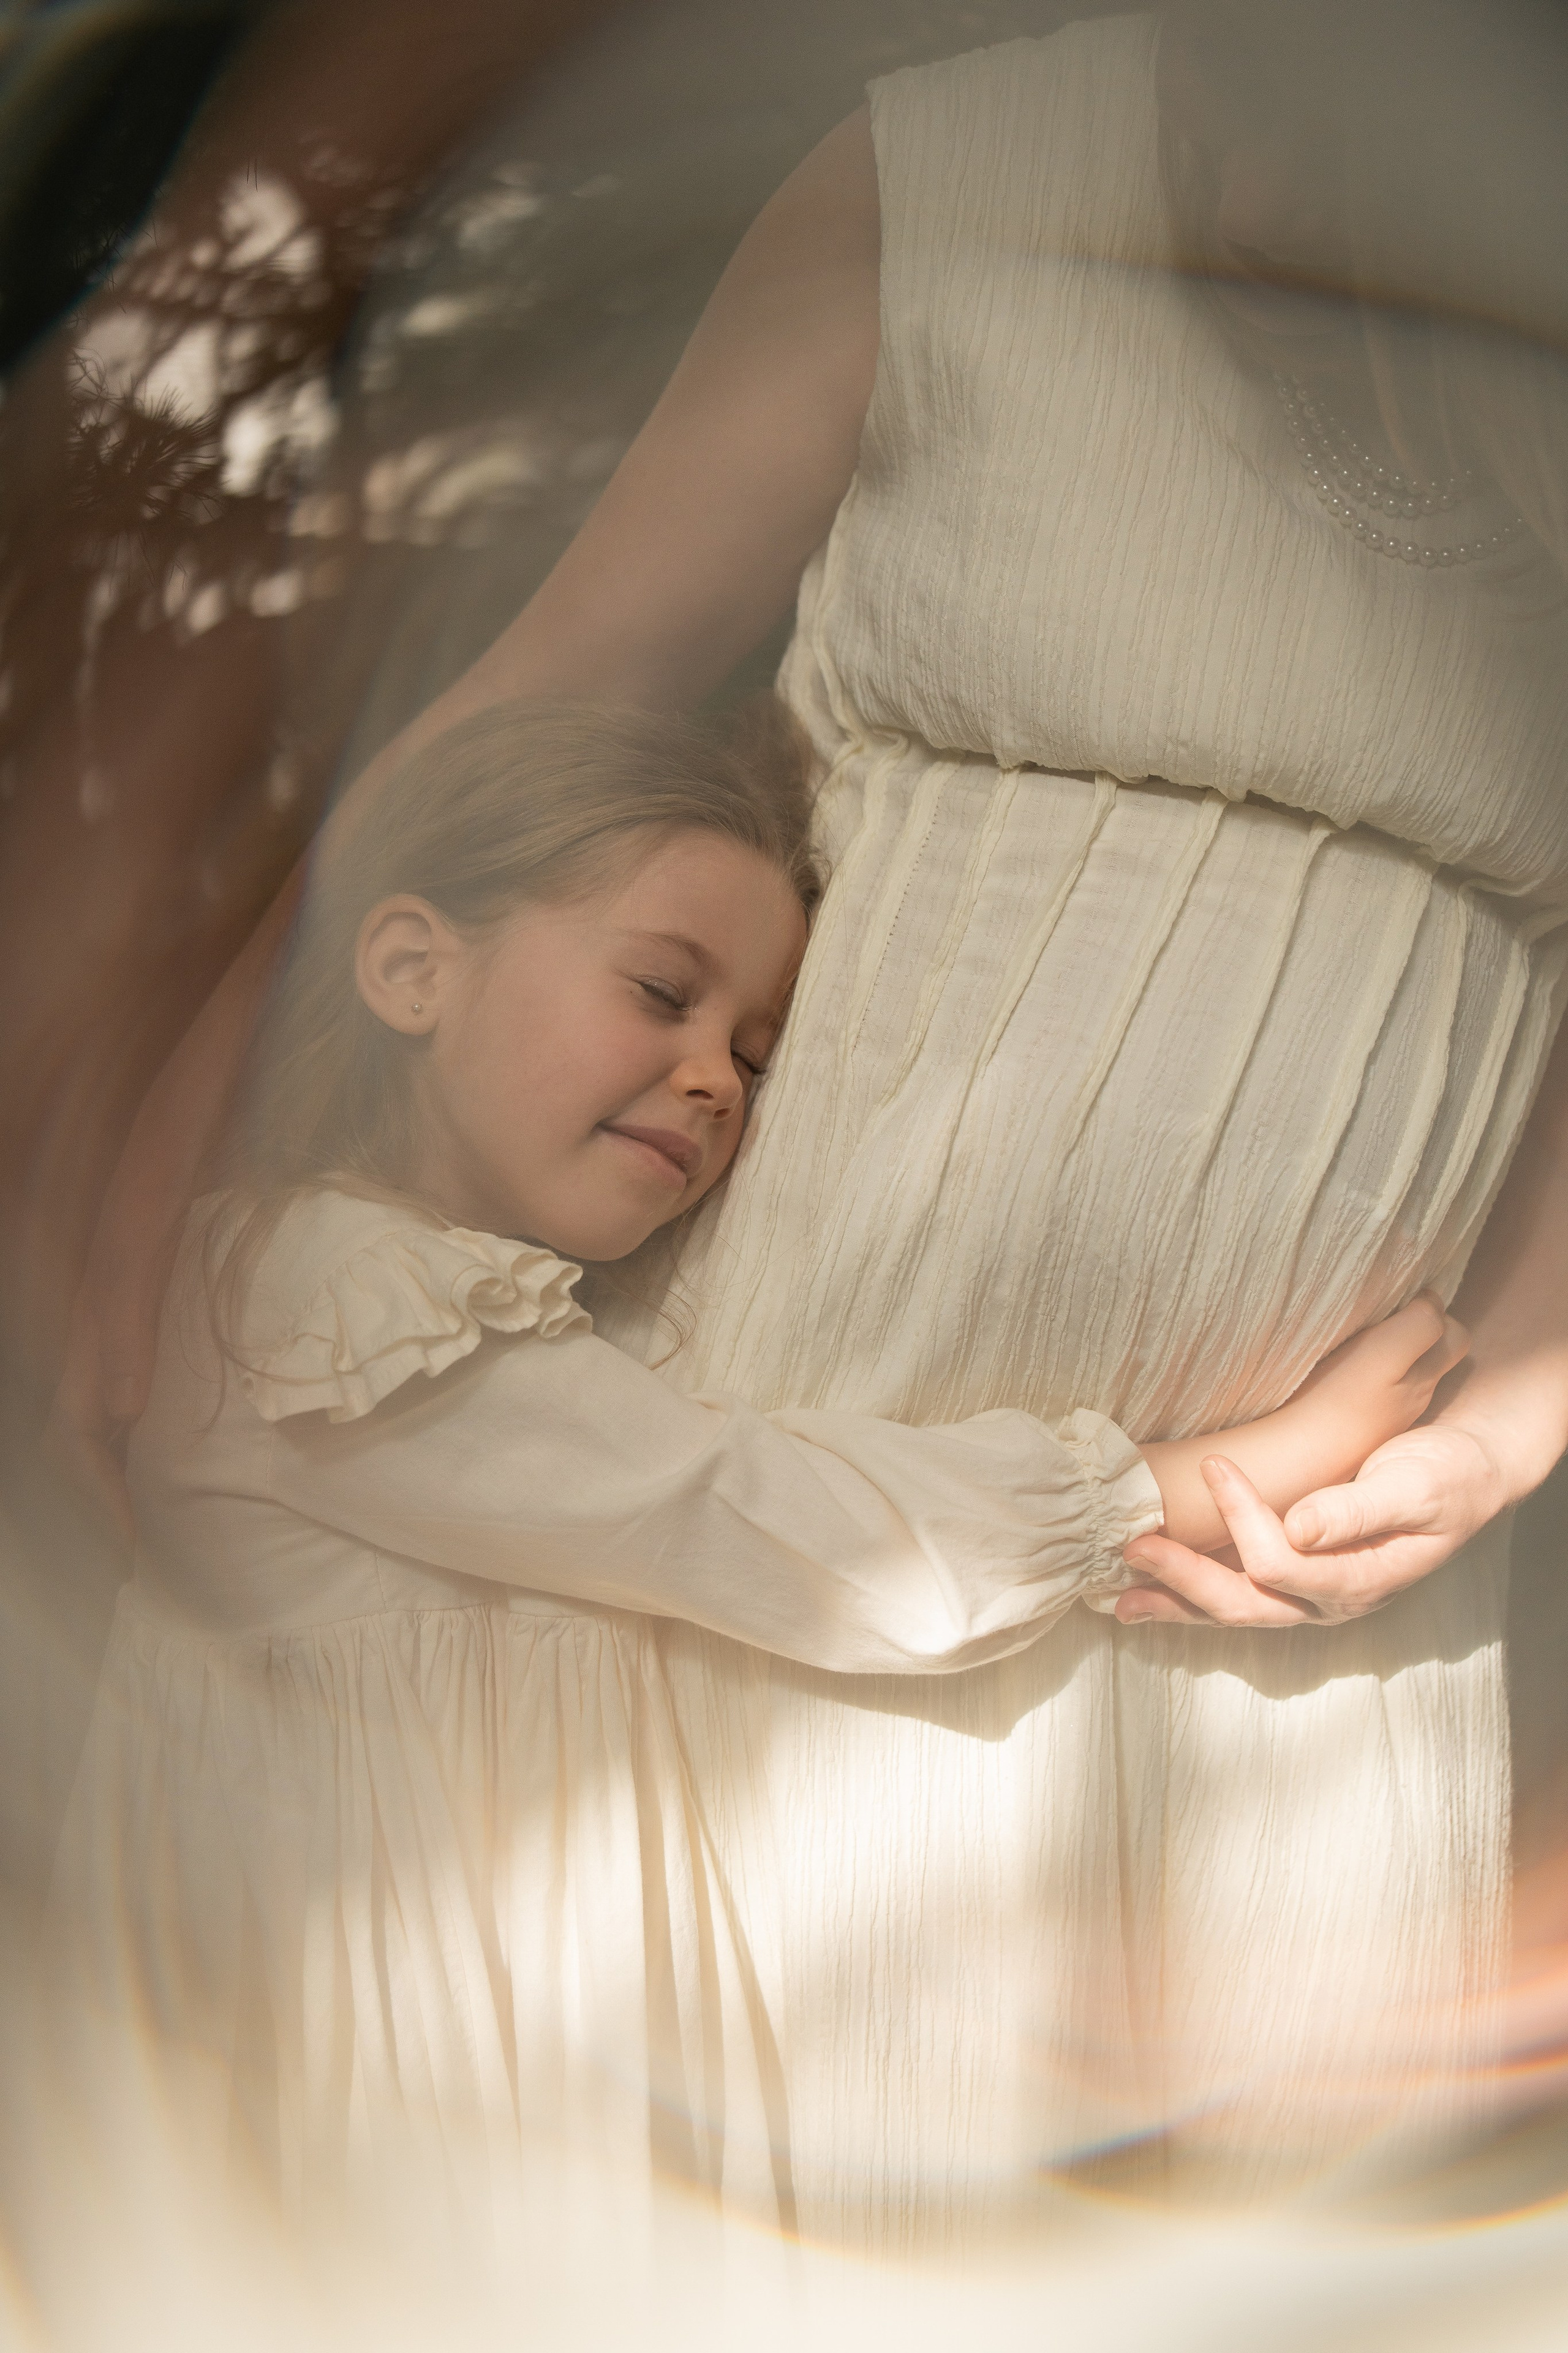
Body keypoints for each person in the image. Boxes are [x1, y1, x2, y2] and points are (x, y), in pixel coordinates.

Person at [59, 0, 1568, 2234]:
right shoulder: (953, 178)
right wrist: (163, 1209)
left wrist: (1516, 1414)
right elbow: (549, 692)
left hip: (1306, 1606)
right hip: (796, 1491)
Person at [48, 692, 1460, 2240]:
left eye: (755, 1052)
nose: (717, 1078)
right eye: (660, 991)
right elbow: (748, 1515)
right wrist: (1189, 1478)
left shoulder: (442, 1302)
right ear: (410, 968)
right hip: (417, 2102)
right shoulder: (321, 1309)